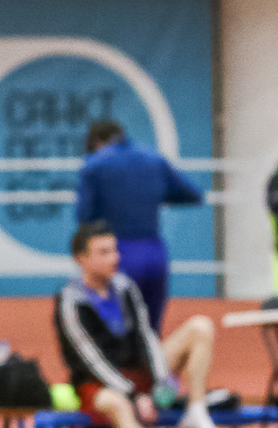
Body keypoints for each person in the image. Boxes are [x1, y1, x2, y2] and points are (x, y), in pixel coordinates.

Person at [55, 220, 220, 428]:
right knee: (115, 403)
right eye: (104, 252)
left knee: (200, 327)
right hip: (99, 384)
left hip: (140, 374)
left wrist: (159, 381)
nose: (114, 258)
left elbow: (147, 336)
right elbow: (91, 360)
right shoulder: (69, 302)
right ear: (81, 259)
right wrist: (134, 394)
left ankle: (196, 409)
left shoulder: (125, 287)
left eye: (114, 250)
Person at [71, 117, 204, 331]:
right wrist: (153, 197)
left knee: (117, 332)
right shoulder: (155, 159)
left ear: (97, 142)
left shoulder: (94, 165)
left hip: (116, 253)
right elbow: (193, 195)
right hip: (154, 252)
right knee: (150, 332)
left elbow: (84, 216)